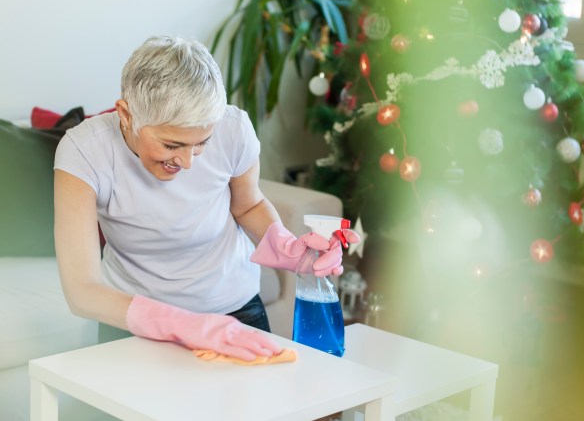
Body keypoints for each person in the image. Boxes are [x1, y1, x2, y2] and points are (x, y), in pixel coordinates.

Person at [54, 36, 359, 361]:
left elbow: (249, 205)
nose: (187, 162)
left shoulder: (234, 129)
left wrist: (287, 248)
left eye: (202, 143)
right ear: (126, 115)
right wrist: (185, 325)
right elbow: (82, 291)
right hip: (133, 314)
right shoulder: (84, 151)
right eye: (172, 145)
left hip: (233, 308)